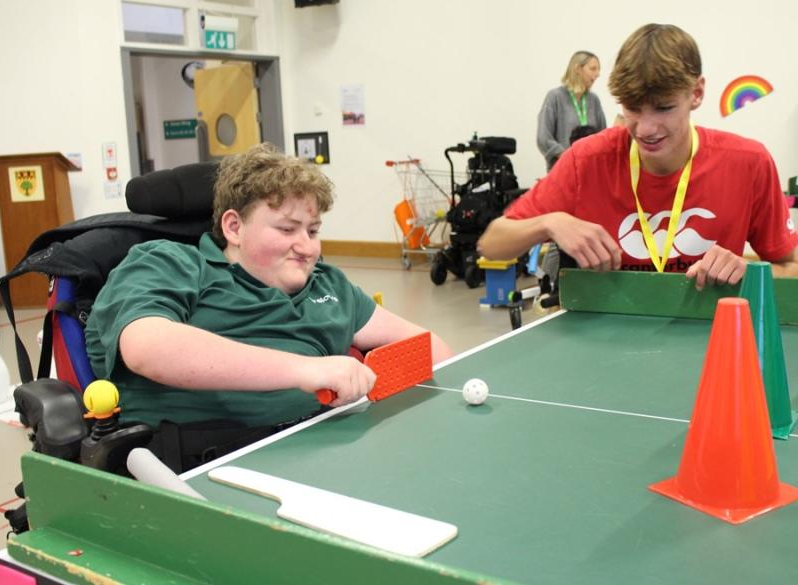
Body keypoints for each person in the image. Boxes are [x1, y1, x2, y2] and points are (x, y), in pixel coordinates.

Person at [85, 143, 453, 469]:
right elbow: (147, 347)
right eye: (287, 229)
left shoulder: (329, 284)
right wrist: (305, 370)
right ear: (234, 227)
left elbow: (430, 348)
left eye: (312, 231)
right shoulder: (170, 263)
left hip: (329, 453)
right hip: (206, 468)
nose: (308, 247)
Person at [480, 23, 798, 290]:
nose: (645, 129)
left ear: (696, 94)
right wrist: (549, 223)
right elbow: (492, 244)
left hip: (710, 339)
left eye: (664, 108)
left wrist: (751, 272)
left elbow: (792, 267)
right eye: (631, 107)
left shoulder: (748, 162)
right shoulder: (587, 159)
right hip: (609, 341)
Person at [537, 51, 607, 172]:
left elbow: (603, 135)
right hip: (563, 172)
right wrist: (567, 157)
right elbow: (543, 138)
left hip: (590, 172)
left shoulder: (593, 100)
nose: (598, 74)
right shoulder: (555, 97)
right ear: (577, 69)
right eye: (593, 69)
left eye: (598, 69)